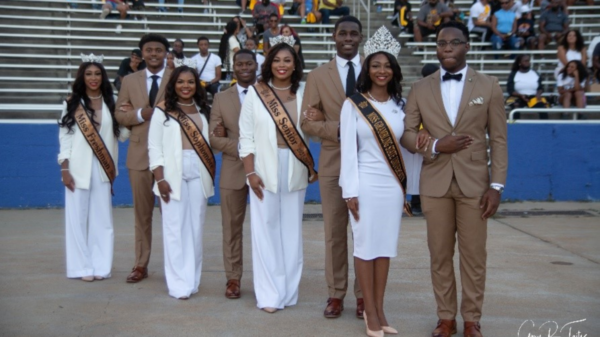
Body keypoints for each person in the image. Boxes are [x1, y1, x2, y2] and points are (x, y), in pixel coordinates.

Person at [400, 21, 507, 337]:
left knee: (474, 256)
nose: (446, 47)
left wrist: (497, 186)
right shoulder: (420, 88)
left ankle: (472, 319)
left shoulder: (488, 86)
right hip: (435, 184)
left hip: (476, 185)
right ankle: (445, 318)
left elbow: (498, 139)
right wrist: (434, 145)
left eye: (454, 42)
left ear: (467, 46)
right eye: (441, 42)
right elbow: (407, 134)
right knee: (440, 254)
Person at [338, 26, 413, 337]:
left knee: (385, 248)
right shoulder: (353, 104)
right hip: (365, 185)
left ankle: (380, 309)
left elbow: (408, 147)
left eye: (387, 66)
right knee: (366, 247)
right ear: (367, 69)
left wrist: (411, 190)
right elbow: (347, 152)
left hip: (392, 188)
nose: (381, 71)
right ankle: (369, 312)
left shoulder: (401, 106)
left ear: (394, 71)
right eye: (375, 65)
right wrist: (350, 190)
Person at [239, 41, 317, 313]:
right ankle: (269, 294)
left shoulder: (306, 92)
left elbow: (314, 131)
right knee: (265, 231)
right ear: (269, 63)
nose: (282, 65)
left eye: (287, 60)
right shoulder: (255, 93)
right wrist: (250, 171)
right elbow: (245, 136)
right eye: (277, 60)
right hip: (263, 168)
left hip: (295, 166)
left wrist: (317, 118)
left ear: (295, 64)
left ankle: (288, 292)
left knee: (291, 232)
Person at [301, 15, 365, 320]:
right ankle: (336, 294)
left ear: (361, 36)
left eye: (354, 33)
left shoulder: (376, 69)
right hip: (333, 163)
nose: (348, 38)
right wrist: (339, 130)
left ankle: (365, 295)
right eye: (343, 33)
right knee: (334, 233)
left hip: (370, 165)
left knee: (364, 232)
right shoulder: (316, 76)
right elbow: (307, 122)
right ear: (333, 36)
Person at [58, 56, 126, 283]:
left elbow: (122, 136)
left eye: (97, 74)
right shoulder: (71, 103)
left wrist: (130, 117)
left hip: (103, 168)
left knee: (102, 219)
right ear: (82, 77)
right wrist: (64, 170)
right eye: (89, 74)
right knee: (76, 219)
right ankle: (80, 267)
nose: (93, 78)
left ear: (103, 77)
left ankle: (101, 265)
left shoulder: (111, 101)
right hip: (77, 168)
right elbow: (65, 138)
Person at [148, 65, 213, 300]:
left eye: (191, 82)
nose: (186, 86)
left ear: (197, 85)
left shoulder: (204, 109)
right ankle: (177, 283)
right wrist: (160, 178)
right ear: (173, 85)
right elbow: (154, 147)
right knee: (174, 229)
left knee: (196, 227)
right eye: (181, 82)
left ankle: (192, 280)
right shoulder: (162, 110)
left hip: (199, 169)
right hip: (171, 172)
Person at [115, 34, 172, 284]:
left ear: (166, 53)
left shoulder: (177, 76)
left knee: (172, 214)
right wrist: (140, 113)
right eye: (148, 50)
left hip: (170, 155)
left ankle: (175, 264)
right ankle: (141, 263)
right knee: (142, 214)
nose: (153, 54)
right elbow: (119, 113)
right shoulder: (129, 80)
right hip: (139, 156)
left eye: (158, 50)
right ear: (141, 53)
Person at [209, 49, 258, 300]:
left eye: (249, 63)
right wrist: (243, 148)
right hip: (232, 168)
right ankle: (233, 278)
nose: (245, 67)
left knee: (265, 227)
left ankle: (265, 278)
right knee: (231, 227)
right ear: (233, 67)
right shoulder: (221, 98)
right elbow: (214, 138)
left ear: (256, 65)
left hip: (265, 169)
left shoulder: (267, 93)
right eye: (240, 64)